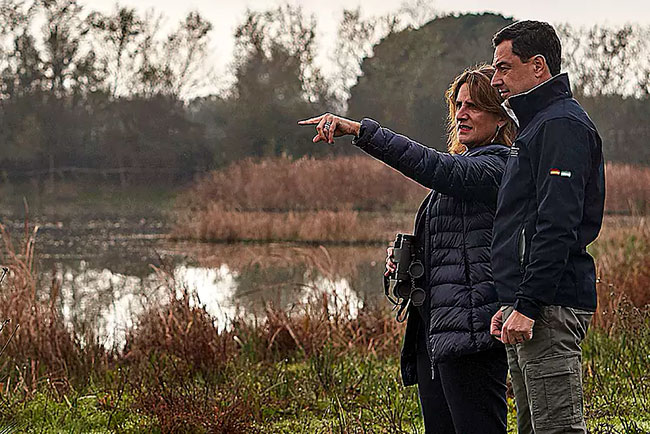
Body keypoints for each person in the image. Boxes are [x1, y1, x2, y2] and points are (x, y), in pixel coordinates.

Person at [299, 65, 517, 434]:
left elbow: (431, 166)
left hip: (473, 333)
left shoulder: (498, 165)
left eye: (474, 106)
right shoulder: (464, 168)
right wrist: (411, 261)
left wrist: (359, 131)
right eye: (458, 105)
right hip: (439, 330)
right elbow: (458, 242)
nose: (462, 113)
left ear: (500, 117)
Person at [488, 21, 605, 434]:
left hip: (548, 308)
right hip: (530, 305)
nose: (496, 80)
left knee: (557, 429)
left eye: (504, 68)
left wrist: (528, 304)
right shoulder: (535, 126)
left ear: (538, 67)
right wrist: (510, 302)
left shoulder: (560, 126)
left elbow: (558, 225)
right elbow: (521, 221)